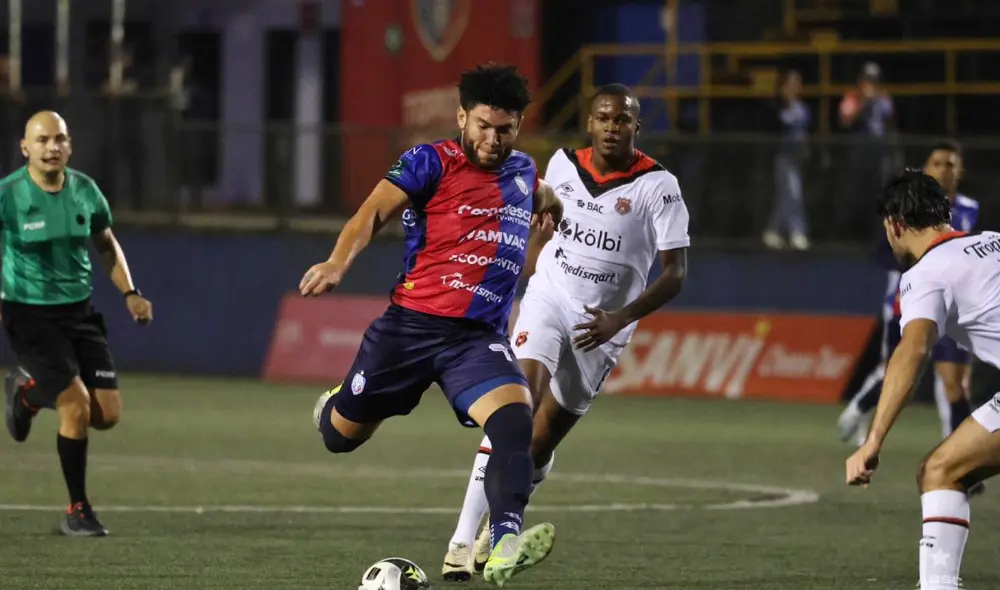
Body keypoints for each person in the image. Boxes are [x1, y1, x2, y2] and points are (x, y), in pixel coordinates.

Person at [300, 64, 563, 588]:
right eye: (483, 126)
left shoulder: (523, 171)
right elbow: (372, 213)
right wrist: (336, 263)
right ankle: (335, 403)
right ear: (462, 117)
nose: (493, 139)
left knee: (516, 421)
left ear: (518, 128)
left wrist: (550, 201)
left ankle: (506, 539)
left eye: (505, 129)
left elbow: (539, 188)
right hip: (409, 330)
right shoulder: (429, 162)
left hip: (475, 340)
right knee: (339, 437)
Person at [442, 83, 690, 582]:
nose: (611, 127)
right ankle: (461, 542)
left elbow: (675, 273)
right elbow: (542, 231)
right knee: (513, 413)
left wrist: (620, 319)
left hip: (602, 330)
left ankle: (505, 512)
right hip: (548, 301)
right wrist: (522, 280)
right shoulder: (560, 166)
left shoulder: (658, 187)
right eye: (603, 118)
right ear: (590, 122)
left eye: (621, 120)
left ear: (636, 127)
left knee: (539, 443)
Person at [846, 169, 1000, 590]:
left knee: (941, 472)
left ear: (894, 225)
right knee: (942, 469)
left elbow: (912, 351)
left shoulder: (924, 274)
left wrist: (873, 440)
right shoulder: (992, 240)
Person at [2, 110, 153, 536]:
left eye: (60, 139)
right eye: (43, 140)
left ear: (70, 145)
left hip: (79, 313)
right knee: (74, 405)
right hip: (28, 313)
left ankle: (28, 394)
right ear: (25, 148)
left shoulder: (86, 191)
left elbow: (106, 244)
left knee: (106, 414)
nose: (52, 147)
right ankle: (77, 510)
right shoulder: (8, 195)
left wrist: (130, 292)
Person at [838, 142, 980, 468]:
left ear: (961, 171)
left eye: (950, 164)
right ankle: (860, 407)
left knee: (953, 383)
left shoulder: (969, 211)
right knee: (902, 367)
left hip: (956, 303)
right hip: (919, 300)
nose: (944, 169)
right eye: (937, 163)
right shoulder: (906, 207)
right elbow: (893, 254)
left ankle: (959, 455)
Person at [762, 70, 810, 251]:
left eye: (797, 84)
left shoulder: (802, 109)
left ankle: (772, 231)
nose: (794, 88)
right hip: (782, 157)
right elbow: (771, 131)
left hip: (797, 157)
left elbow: (804, 132)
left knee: (785, 196)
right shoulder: (776, 108)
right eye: (790, 84)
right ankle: (798, 233)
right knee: (793, 193)